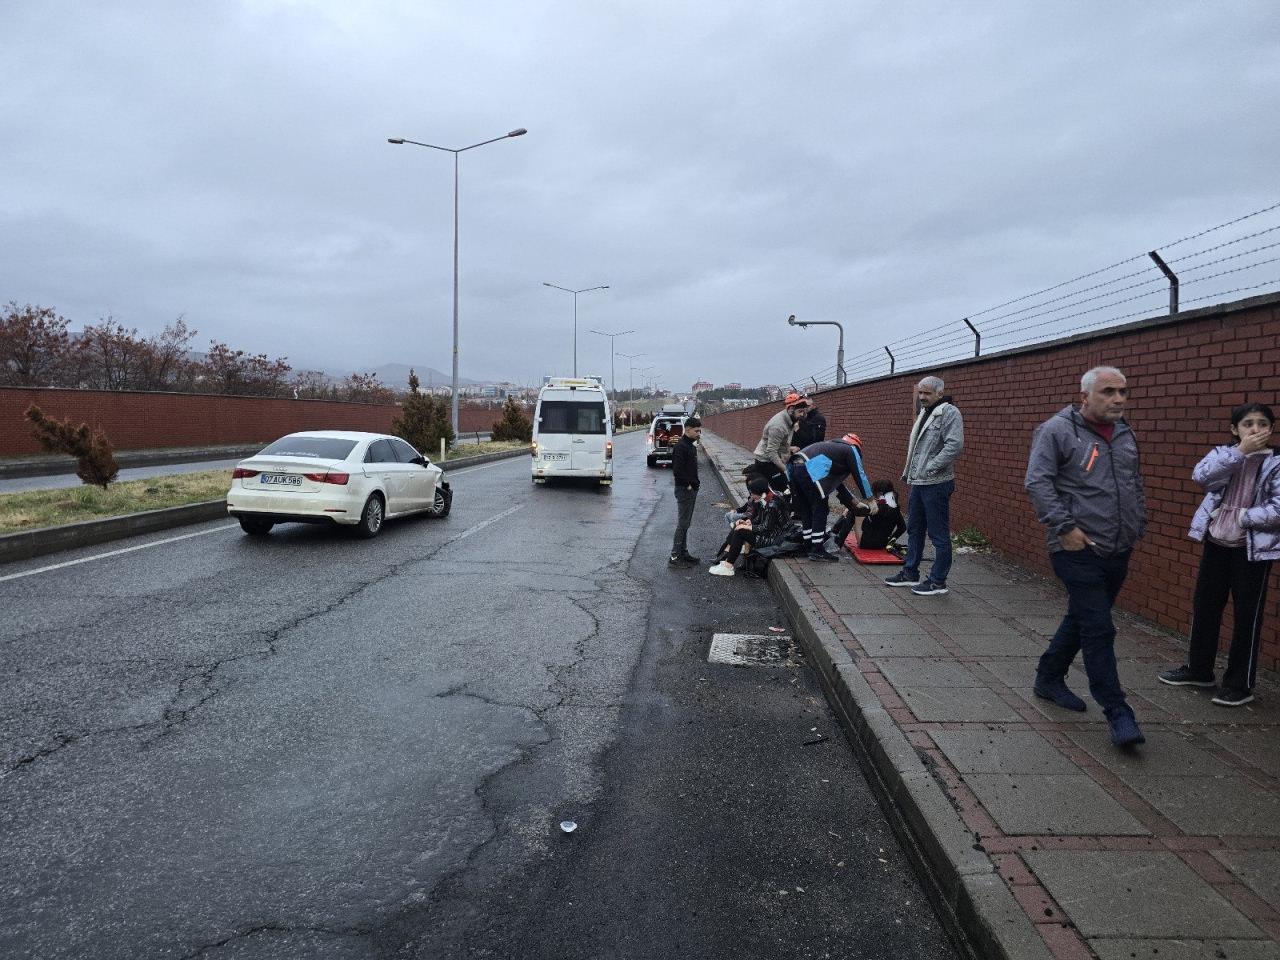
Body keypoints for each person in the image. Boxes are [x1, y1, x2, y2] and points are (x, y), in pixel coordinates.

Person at [1025, 366, 1147, 747]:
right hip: (1075, 547)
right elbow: (1037, 481)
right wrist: (1064, 528)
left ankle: (1048, 676)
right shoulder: (1057, 431)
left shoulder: (1125, 434)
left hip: (1118, 546)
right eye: (1108, 392)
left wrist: (1137, 523)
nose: (1118, 399)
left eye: (1123, 392)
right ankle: (1118, 711)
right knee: (1099, 627)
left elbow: (1134, 482)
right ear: (1085, 397)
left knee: (1082, 617)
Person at [1159, 402, 1280, 706]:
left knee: (1247, 615)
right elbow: (1202, 477)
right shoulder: (1223, 453)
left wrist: (1243, 517)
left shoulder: (1276, 461)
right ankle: (1199, 670)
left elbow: (1279, 508)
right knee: (1206, 605)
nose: (1255, 429)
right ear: (1234, 429)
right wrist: (1239, 453)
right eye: (1248, 424)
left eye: (1262, 424)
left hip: (1251, 550)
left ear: (1271, 429)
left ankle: (1240, 685)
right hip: (1216, 542)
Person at [884, 376, 964, 596]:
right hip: (918, 482)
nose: (922, 397)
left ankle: (938, 581)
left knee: (938, 534)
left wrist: (931, 466)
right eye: (920, 392)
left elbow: (955, 445)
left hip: (936, 483)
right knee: (915, 529)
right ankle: (910, 573)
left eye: (927, 393)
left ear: (940, 393)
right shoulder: (925, 412)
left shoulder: (949, 413)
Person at [790, 433, 873, 562]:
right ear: (856, 446)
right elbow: (860, 474)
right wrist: (870, 499)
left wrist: (855, 502)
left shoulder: (832, 449)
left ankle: (808, 546)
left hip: (795, 466)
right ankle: (817, 550)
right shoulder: (850, 449)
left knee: (806, 509)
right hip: (809, 468)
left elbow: (838, 484)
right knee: (820, 509)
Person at [746, 393, 810, 493]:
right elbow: (771, 452)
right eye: (800, 411)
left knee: (782, 488)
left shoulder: (790, 419)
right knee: (783, 489)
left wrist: (789, 448)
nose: (802, 414)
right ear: (791, 409)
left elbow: (779, 443)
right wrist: (786, 470)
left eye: (804, 411)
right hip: (766, 462)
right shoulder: (778, 426)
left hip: (773, 459)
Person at [710, 476, 771, 576]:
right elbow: (760, 519)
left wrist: (748, 526)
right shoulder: (764, 500)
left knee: (740, 530)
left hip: (771, 539)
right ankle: (726, 557)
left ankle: (728, 564)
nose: (751, 496)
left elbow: (766, 528)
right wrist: (748, 522)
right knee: (739, 526)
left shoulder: (771, 504)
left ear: (761, 493)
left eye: (753, 493)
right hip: (767, 535)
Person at [669, 417, 702, 566]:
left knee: (686, 524)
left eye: (700, 431)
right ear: (688, 429)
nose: (699, 433)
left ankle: (684, 552)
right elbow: (677, 471)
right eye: (696, 431)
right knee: (682, 524)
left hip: (691, 489)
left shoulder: (691, 447)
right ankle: (675, 556)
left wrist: (695, 485)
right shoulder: (680, 447)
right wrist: (688, 486)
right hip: (684, 490)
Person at [852, 479, 907, 550]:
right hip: (882, 543)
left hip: (865, 543)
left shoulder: (878, 507)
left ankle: (839, 540)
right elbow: (902, 528)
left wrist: (866, 505)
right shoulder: (896, 508)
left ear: (879, 493)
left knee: (854, 510)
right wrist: (890, 542)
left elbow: (864, 515)